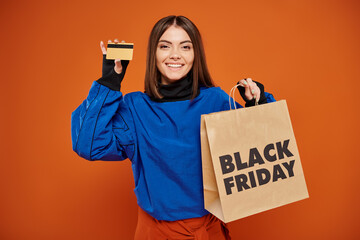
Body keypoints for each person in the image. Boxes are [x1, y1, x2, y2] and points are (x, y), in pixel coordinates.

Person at [71, 15, 275, 240]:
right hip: (158, 233)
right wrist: (110, 82)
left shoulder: (216, 100)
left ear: (195, 54)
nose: (175, 54)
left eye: (185, 47)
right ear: (154, 55)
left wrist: (259, 104)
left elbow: (261, 149)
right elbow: (88, 146)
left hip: (210, 229)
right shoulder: (135, 107)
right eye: (165, 46)